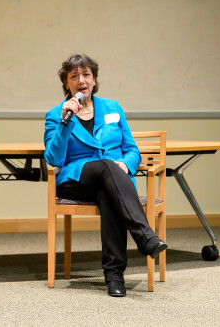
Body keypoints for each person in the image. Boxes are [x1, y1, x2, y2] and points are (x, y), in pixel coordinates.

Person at [43, 53, 168, 297]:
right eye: (74, 76)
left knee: (108, 190)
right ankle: (145, 237)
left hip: (112, 180)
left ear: (94, 79)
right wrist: (64, 123)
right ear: (66, 84)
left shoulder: (112, 107)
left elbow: (132, 150)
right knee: (105, 165)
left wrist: (126, 165)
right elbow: (54, 159)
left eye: (86, 74)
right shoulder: (56, 114)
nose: (81, 80)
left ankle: (114, 277)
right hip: (75, 179)